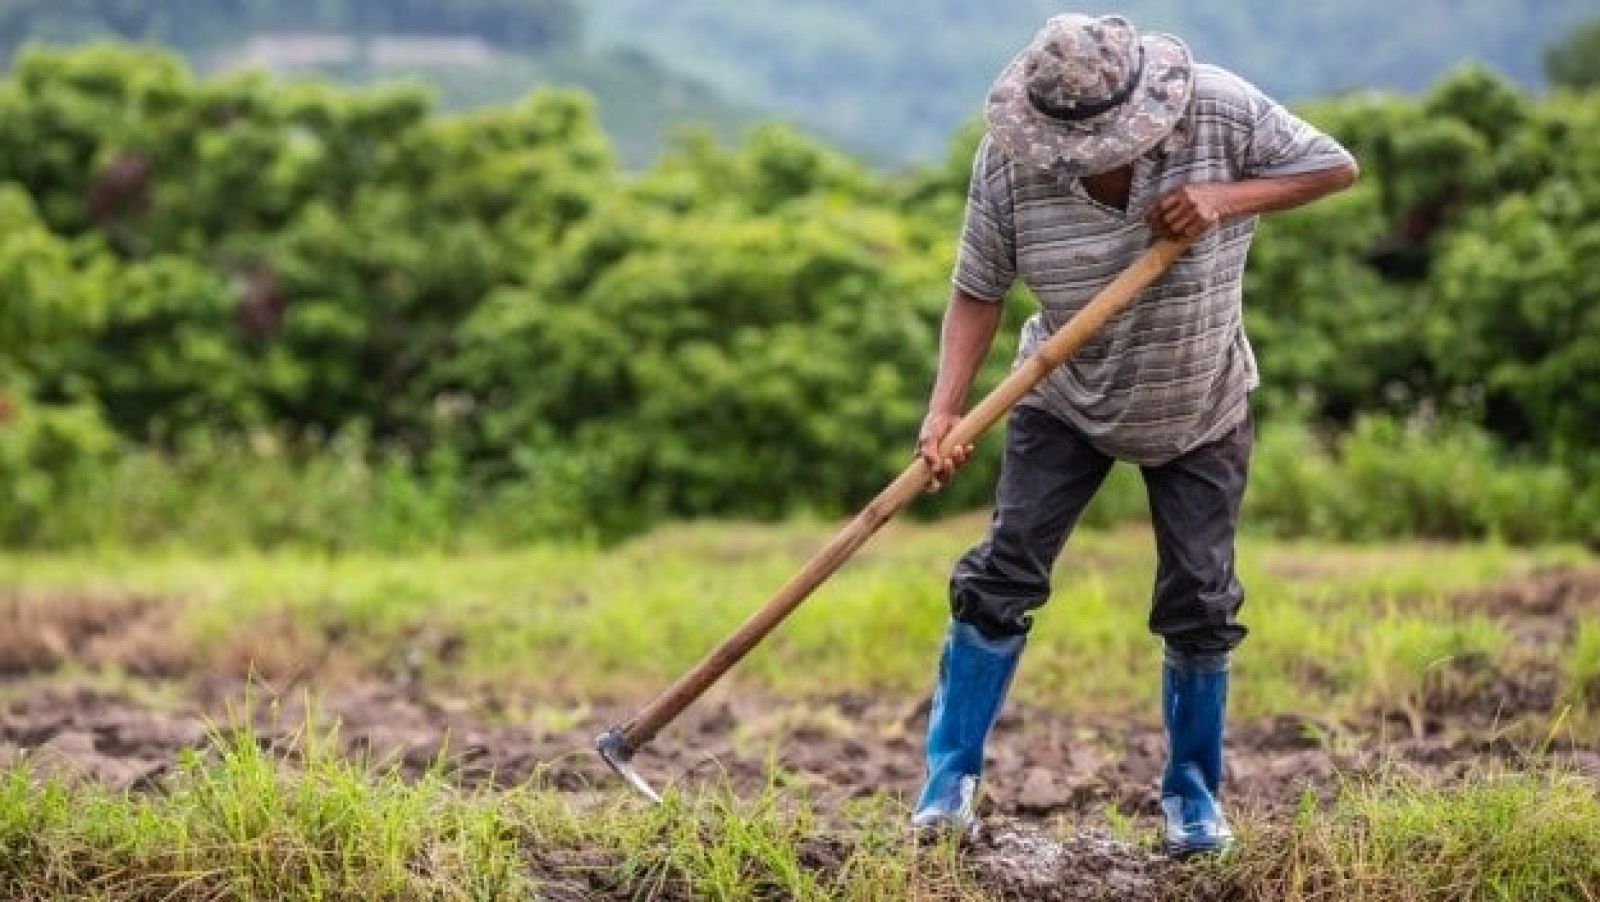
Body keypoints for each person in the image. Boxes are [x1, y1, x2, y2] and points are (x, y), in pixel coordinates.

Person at [911, 13, 1358, 857]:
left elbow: (1333, 165)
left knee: (1199, 600)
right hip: (1063, 393)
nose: (1082, 160)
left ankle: (1193, 801)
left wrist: (1224, 198)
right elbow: (978, 288)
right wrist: (944, 411)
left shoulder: (1220, 110)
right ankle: (946, 791)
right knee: (1001, 575)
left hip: (1201, 398)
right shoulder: (1009, 160)